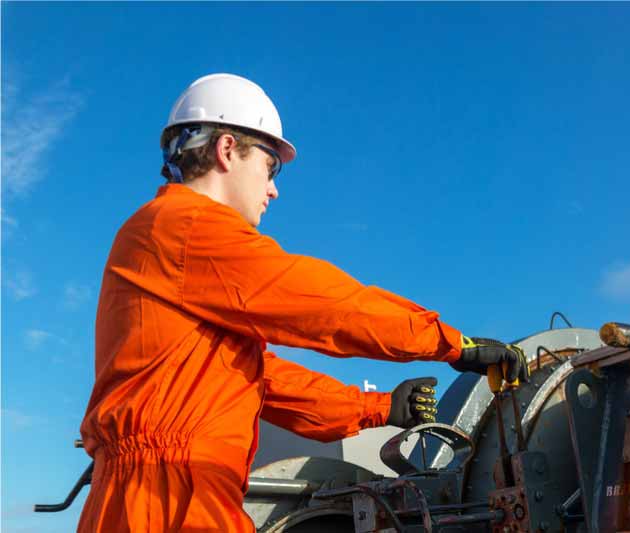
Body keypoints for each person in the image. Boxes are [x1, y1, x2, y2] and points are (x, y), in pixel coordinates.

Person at [77, 73, 529, 532]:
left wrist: (377, 408)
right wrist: (452, 343)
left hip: (169, 496)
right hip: (165, 501)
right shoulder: (186, 228)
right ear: (227, 150)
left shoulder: (174, 247)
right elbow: (325, 305)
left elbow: (260, 378)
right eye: (270, 168)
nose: (273, 189)